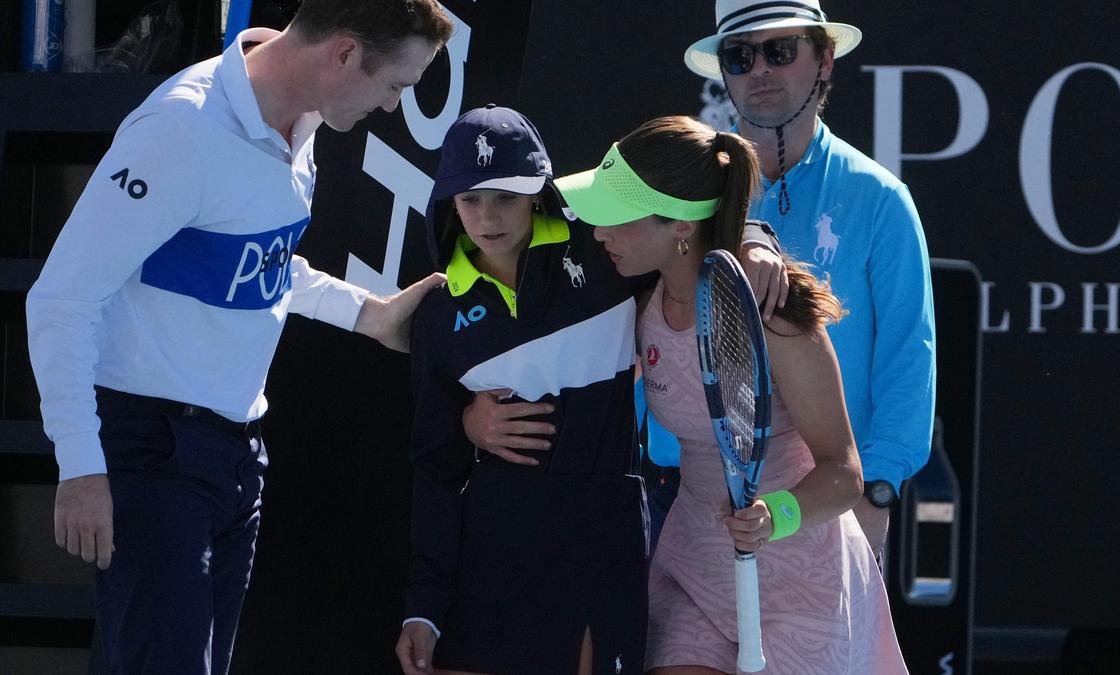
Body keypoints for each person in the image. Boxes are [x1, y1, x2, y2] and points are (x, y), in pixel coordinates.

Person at [24, 1, 454, 672]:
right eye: (395, 84)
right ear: (344, 53)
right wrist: (80, 464)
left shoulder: (303, 125)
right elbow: (62, 299)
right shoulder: (181, 129)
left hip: (235, 461)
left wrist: (367, 314)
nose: (394, 105)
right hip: (151, 456)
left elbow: (256, 261)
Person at [556, 114, 908, 674]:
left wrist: (775, 516)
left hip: (799, 576)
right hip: (693, 562)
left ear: (680, 224)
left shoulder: (776, 318)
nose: (599, 232)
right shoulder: (638, 301)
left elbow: (844, 474)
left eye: (617, 215)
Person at [393, 104, 651, 675]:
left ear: (537, 192)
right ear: (449, 203)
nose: (487, 217)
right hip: (493, 546)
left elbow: (692, 229)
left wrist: (752, 236)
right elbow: (435, 469)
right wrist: (425, 605)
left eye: (506, 196)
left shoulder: (604, 249)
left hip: (603, 534)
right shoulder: (437, 313)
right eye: (470, 199)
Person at [682, 0, 937, 554]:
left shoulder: (880, 198)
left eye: (779, 50)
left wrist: (876, 488)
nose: (759, 70)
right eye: (740, 56)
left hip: (833, 510)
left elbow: (907, 356)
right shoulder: (688, 195)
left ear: (824, 60)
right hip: (700, 506)